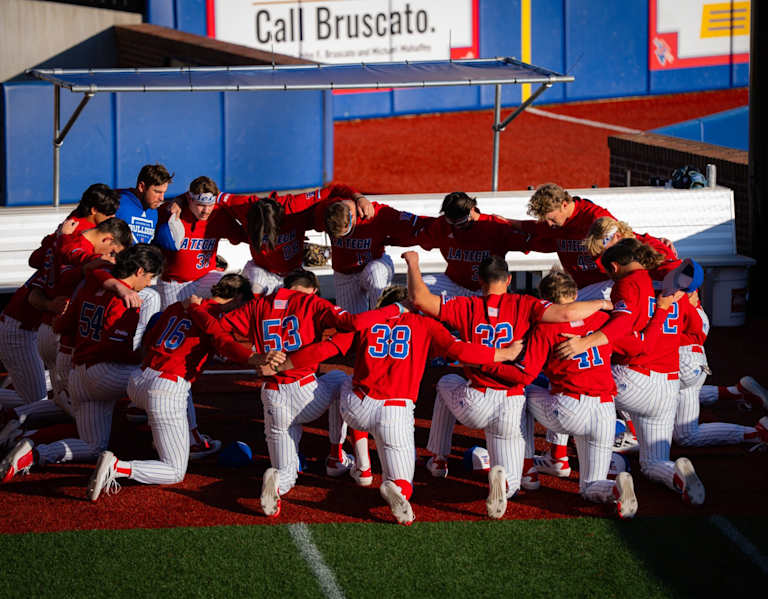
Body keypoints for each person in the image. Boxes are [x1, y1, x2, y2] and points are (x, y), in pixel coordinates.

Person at [185, 269, 406, 518]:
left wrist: (198, 309)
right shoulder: (311, 302)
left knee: (287, 471)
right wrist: (395, 308)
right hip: (306, 392)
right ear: (311, 288)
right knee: (342, 381)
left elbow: (217, 331)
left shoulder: (257, 305)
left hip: (272, 396)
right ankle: (340, 458)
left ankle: (277, 479)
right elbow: (351, 323)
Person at [404, 251, 612, 508]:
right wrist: (602, 305)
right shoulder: (526, 304)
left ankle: (438, 458)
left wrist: (412, 263)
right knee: (512, 478)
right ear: (509, 280)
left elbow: (419, 298)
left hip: (475, 399)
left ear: (480, 281)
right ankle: (511, 479)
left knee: (446, 381)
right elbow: (565, 314)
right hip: (513, 401)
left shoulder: (464, 304)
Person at [337, 285, 523, 524]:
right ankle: (398, 488)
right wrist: (503, 354)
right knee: (404, 483)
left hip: (358, 405)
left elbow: (335, 341)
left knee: (341, 381)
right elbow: (460, 350)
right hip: (395, 410)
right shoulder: (424, 324)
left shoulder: (366, 321)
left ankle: (361, 466)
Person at [87, 274, 281, 501]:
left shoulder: (180, 305)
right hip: (165, 390)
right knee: (174, 471)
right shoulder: (215, 316)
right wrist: (254, 358)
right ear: (237, 297)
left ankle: (185, 437)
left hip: (138, 379)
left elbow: (150, 336)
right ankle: (118, 467)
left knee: (183, 388)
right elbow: (223, 343)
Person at [555, 238, 704, 505]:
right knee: (653, 462)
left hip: (635, 377)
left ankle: (558, 458)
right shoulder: (667, 290)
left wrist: (586, 342)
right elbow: (698, 329)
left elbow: (624, 325)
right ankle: (675, 475)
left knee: (574, 390)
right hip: (669, 385)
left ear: (614, 266)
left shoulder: (628, 283)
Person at [0, 245, 165, 485]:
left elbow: (62, 326)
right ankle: (180, 442)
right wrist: (143, 358)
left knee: (93, 445)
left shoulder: (91, 286)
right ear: (139, 271)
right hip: (104, 371)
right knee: (164, 383)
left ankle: (34, 453)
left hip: (77, 372)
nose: (149, 284)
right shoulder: (128, 300)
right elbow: (115, 349)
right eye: (150, 277)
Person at [489, 271, 639, 518]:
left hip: (568, 406)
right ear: (576, 293)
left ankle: (527, 470)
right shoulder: (604, 320)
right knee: (590, 486)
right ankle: (614, 488)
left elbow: (526, 373)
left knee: (522, 393)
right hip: (605, 409)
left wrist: (492, 365)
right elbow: (633, 347)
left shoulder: (545, 326)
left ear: (545, 300)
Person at [0, 184, 121, 412]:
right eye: (109, 214)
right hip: (26, 324)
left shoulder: (69, 227)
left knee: (57, 394)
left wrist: (57, 242)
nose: (112, 221)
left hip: (34, 321)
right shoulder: (79, 235)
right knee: (41, 402)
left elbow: (36, 260)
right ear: (94, 210)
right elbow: (61, 266)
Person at [218, 184, 372, 295]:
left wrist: (359, 198)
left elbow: (333, 189)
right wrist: (235, 234)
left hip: (293, 271)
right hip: (262, 269)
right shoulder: (243, 205)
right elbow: (213, 197)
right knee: (254, 294)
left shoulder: (296, 206)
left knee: (308, 300)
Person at [412, 192, 532, 297]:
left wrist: (513, 223)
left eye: (461, 222)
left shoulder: (495, 225)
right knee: (417, 289)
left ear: (472, 209)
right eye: (451, 222)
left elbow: (529, 243)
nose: (456, 227)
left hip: (486, 287)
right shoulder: (442, 224)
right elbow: (419, 238)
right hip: (453, 283)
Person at [153, 176, 247, 309]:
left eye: (210, 205)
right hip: (174, 284)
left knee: (232, 288)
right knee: (174, 322)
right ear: (190, 199)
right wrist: (178, 201)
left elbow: (244, 236)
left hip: (206, 278)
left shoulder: (218, 215)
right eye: (201, 205)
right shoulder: (171, 212)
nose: (206, 210)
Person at [321, 197, 421, 313]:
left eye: (345, 233)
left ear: (352, 217)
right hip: (345, 273)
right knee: (349, 323)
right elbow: (337, 188)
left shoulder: (375, 213)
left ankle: (383, 319)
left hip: (375, 263)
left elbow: (410, 225)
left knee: (375, 273)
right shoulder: (327, 210)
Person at [115, 163, 174, 243]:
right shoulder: (117, 202)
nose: (161, 198)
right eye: (157, 192)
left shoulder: (153, 211)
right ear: (142, 187)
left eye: (164, 192)